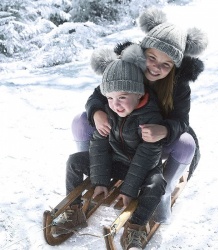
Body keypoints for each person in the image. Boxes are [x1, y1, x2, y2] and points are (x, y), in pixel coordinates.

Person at [72, 7, 208, 225]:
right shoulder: (125, 67)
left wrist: (163, 130)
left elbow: (182, 121)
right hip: (119, 135)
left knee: (187, 144)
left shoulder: (178, 85)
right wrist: (97, 112)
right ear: (141, 52)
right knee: (80, 121)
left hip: (151, 142)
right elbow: (98, 94)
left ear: (175, 67)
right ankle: (94, 172)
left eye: (166, 64)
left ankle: (164, 191)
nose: (155, 67)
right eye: (151, 57)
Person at [52, 46, 167, 250]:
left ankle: (136, 226)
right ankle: (74, 211)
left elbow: (146, 157)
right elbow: (99, 144)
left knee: (157, 183)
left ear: (137, 94)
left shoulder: (151, 118)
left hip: (142, 168)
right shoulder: (108, 111)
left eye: (122, 97)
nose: (116, 104)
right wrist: (100, 181)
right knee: (74, 161)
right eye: (110, 98)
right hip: (116, 162)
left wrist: (129, 189)